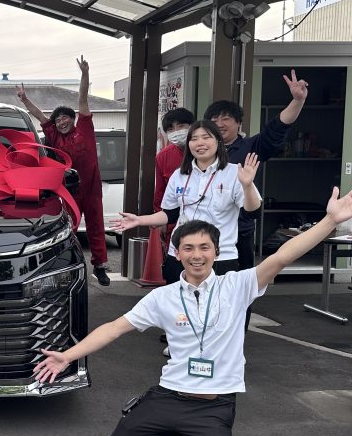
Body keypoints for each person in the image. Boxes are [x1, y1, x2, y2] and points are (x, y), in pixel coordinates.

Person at [33, 182, 352, 436]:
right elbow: (114, 328)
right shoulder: (163, 297)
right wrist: (68, 355)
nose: (196, 255)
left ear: (216, 251)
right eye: (188, 248)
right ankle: (172, 430)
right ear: (177, 253)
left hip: (213, 405)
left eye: (204, 247)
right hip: (169, 396)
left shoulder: (237, 286)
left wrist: (330, 221)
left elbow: (282, 257)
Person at [114, 120, 262, 285]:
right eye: (194, 139)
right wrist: (140, 220)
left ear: (218, 141)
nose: (200, 143)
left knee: (217, 302)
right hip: (180, 255)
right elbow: (169, 214)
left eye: (206, 137)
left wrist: (247, 186)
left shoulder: (234, 173)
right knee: (179, 301)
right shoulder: (179, 175)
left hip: (220, 257)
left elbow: (252, 212)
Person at [16, 56, 110, 285]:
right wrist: (25, 99)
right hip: (70, 189)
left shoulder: (84, 128)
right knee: (70, 227)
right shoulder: (54, 135)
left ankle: (100, 266)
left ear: (73, 119)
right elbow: (39, 115)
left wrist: (85, 74)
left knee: (96, 226)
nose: (61, 122)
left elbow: (82, 99)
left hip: (92, 187)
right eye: (57, 120)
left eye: (64, 118)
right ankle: (66, 263)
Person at [203, 70, 309, 272]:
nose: (219, 124)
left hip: (239, 230)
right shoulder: (200, 149)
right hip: (203, 229)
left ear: (238, 123)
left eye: (226, 118)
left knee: (240, 282)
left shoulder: (252, 146)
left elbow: (277, 127)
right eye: (214, 119)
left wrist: (297, 101)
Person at [154, 107, 195, 243]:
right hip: (174, 221)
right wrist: (161, 220)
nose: (176, 132)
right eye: (171, 129)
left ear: (192, 126)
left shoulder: (205, 151)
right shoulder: (163, 156)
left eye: (181, 126)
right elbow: (160, 191)